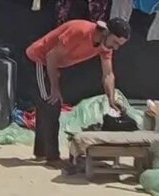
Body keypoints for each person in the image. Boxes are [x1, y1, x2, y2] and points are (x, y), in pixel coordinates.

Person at [26, 17, 131, 164]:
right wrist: (55, 88)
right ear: (106, 32)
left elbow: (108, 74)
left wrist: (111, 99)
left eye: (119, 45)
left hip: (55, 65)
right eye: (115, 42)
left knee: (48, 107)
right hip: (40, 59)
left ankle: (42, 153)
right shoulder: (80, 31)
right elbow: (51, 56)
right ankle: (52, 157)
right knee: (51, 103)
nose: (116, 47)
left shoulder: (106, 46)